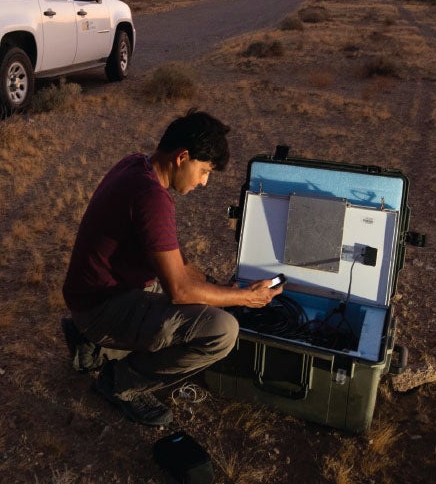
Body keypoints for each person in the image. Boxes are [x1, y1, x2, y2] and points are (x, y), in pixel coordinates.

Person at [61, 109, 283, 426]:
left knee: (210, 298)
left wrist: (225, 290)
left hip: (94, 295)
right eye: (204, 171)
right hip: (99, 307)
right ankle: (121, 383)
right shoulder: (152, 197)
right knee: (222, 331)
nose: (205, 182)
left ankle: (92, 347)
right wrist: (244, 298)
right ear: (182, 157)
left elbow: (177, 260)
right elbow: (179, 291)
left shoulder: (137, 165)